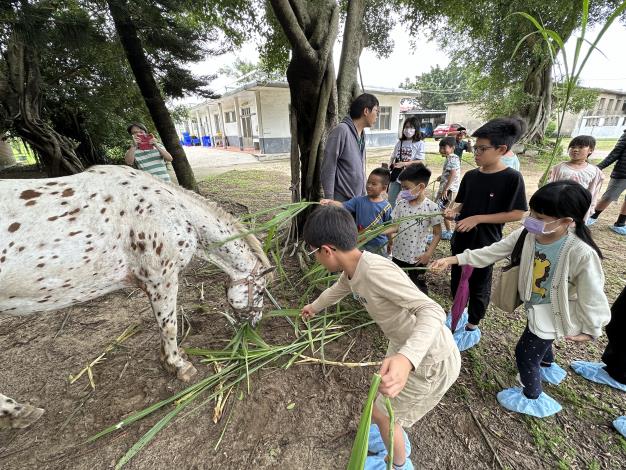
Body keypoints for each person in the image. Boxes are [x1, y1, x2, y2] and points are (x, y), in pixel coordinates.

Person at [431, 181, 611, 418]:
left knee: (525, 354)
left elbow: (593, 295)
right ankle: (546, 364)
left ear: (567, 221)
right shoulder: (529, 234)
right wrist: (454, 260)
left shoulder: (581, 253)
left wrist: (592, 329)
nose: (531, 219)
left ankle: (532, 396)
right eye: (532, 212)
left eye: (540, 216)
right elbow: (492, 251)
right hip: (535, 305)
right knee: (538, 337)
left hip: (556, 311)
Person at [301, 206, 460, 470]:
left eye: (313, 252)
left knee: (384, 414)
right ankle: (390, 437)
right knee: (382, 406)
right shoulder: (353, 268)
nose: (315, 257)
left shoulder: (375, 270)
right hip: (404, 346)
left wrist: (406, 360)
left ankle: (398, 463)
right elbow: (339, 289)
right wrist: (314, 307)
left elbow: (431, 310)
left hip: (429, 359)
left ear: (326, 250)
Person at [444, 117, 528, 351]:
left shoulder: (511, 178)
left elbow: (517, 213)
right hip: (461, 239)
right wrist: (453, 211)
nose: (476, 153)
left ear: (502, 149)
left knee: (479, 284)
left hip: (485, 243)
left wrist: (479, 218)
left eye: (482, 149)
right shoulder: (471, 176)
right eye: (475, 148)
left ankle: (472, 324)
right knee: (458, 278)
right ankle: (457, 313)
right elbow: (461, 203)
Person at [386, 164, 443, 295]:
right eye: (402, 187)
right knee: (396, 282)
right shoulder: (401, 204)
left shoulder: (431, 208)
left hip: (417, 257)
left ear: (421, 187)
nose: (402, 191)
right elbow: (395, 226)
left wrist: (428, 254)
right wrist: (376, 231)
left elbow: (437, 233)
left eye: (406, 188)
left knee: (418, 286)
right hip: (398, 253)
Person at [321, 94, 379, 202]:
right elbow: (328, 166)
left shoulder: (362, 134)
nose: (377, 115)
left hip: (357, 200)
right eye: (376, 111)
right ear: (366, 111)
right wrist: (329, 199)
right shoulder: (341, 131)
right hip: (341, 201)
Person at [321, 168, 392, 256]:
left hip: (379, 245)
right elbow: (343, 205)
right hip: (361, 242)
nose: (369, 186)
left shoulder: (386, 207)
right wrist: (330, 202)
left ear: (384, 188)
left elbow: (389, 227)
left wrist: (390, 242)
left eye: (374, 184)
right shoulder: (358, 201)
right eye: (368, 182)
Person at [548, 135, 604, 221]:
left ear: (591, 150)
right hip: (558, 204)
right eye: (572, 147)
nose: (575, 150)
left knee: (573, 227)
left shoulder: (595, 171)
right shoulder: (558, 168)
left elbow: (593, 192)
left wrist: (590, 207)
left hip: (579, 206)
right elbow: (549, 187)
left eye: (581, 147)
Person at [587, 129, 626, 235]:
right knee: (609, 196)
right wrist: (599, 167)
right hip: (623, 173)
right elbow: (615, 153)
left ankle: (620, 223)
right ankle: (592, 216)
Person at [387, 117, 426, 206]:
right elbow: (393, 156)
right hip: (396, 175)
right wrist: (389, 166)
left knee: (408, 200)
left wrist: (405, 163)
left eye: (411, 127)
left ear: (416, 129)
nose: (408, 130)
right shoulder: (400, 142)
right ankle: (391, 217)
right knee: (391, 199)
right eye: (406, 127)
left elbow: (421, 161)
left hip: (410, 177)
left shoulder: (420, 144)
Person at [435, 137, 461, 240]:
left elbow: (453, 173)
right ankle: (448, 231)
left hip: (449, 191)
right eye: (440, 147)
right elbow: (450, 172)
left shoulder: (452, 157)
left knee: (444, 211)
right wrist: (441, 177)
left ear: (452, 148)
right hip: (447, 189)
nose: (441, 150)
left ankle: (449, 232)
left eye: (444, 147)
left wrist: (446, 189)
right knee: (441, 210)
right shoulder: (450, 157)